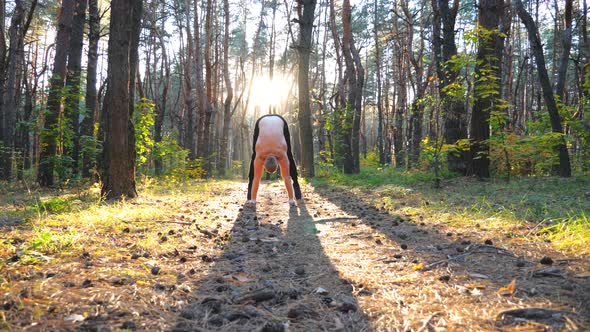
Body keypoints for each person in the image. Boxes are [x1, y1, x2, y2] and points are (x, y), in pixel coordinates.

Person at [246, 114, 302, 206]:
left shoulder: (260, 156)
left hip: (266, 120)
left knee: (254, 156)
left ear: (263, 164)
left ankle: (251, 196)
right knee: (289, 154)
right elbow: (286, 177)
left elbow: (257, 177)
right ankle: (295, 184)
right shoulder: (281, 154)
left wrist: (253, 200)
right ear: (278, 162)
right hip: (273, 120)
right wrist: (291, 199)